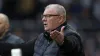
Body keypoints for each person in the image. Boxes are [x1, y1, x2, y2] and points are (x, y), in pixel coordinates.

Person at [0, 4, 85, 56]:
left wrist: (63, 42)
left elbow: (73, 48)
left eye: (48, 16)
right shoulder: (43, 37)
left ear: (60, 18)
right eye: (43, 16)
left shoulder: (71, 35)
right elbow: (22, 49)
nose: (44, 19)